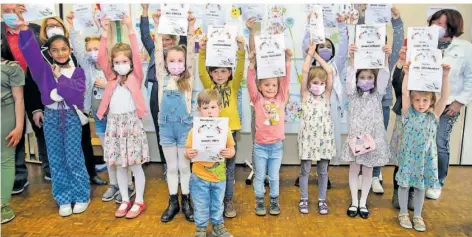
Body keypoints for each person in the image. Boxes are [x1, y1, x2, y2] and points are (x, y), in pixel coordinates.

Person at [17, 7, 90, 217]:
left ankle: (82, 195)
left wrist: (62, 78)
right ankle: (63, 198)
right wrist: (24, 29)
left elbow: (75, 96)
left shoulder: (77, 72)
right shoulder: (43, 70)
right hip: (51, 117)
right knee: (56, 159)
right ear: (49, 52)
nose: (60, 53)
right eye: (55, 50)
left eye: (63, 49)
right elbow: (31, 54)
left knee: (74, 158)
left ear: (69, 50)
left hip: (71, 117)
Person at [66, 11, 134, 203]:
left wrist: (108, 85)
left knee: (121, 153)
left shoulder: (111, 68)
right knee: (108, 153)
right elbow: (78, 47)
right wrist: (71, 26)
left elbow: (125, 84)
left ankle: (127, 185)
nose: (93, 52)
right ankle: (114, 184)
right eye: (90, 49)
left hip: (116, 117)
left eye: (97, 48)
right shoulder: (87, 66)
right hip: (99, 117)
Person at [39, 15, 107, 186]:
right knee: (58, 149)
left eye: (57, 25)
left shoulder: (75, 55)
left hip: (77, 107)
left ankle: (89, 174)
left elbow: (89, 53)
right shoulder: (42, 57)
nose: (54, 28)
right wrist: (36, 109)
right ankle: (65, 181)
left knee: (84, 142)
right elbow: (35, 85)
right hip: (53, 110)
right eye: (50, 26)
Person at [96, 15, 149, 219]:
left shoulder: (135, 77)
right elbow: (102, 57)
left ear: (130, 63)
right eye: (116, 62)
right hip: (114, 125)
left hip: (131, 125)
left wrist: (130, 28)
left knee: (135, 165)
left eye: (124, 61)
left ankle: (139, 200)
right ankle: (125, 199)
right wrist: (104, 33)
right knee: (118, 164)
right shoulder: (111, 78)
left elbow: (136, 54)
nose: (120, 64)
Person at [1, 4, 51, 194]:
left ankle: (50, 169)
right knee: (15, 131)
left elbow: (43, 56)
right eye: (6, 10)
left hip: (35, 86)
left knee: (42, 127)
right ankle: (18, 176)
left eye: (14, 9)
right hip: (9, 89)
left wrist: (24, 27)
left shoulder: (35, 30)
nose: (10, 14)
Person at [396, 61, 450, 232]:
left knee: (420, 186)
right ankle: (403, 213)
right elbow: (404, 93)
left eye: (425, 100)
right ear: (412, 101)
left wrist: (445, 76)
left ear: (431, 100)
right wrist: (406, 73)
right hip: (408, 157)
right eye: (417, 100)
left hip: (425, 159)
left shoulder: (433, 116)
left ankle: (418, 215)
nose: (421, 104)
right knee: (404, 185)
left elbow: (445, 97)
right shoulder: (407, 114)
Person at [153, 9, 196, 223]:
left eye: (180, 61)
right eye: (172, 61)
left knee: (184, 167)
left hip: (185, 128)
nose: (177, 65)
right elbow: (158, 50)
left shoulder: (188, 79)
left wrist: (189, 27)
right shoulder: (162, 77)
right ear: (166, 62)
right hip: (167, 128)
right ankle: (173, 202)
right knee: (171, 167)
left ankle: (187, 200)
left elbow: (191, 57)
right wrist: (158, 26)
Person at [197, 31, 245, 218]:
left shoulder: (233, 85)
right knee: (210, 167)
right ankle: (212, 202)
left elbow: (241, 69)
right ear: (211, 73)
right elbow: (201, 71)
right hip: (210, 132)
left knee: (229, 169)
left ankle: (228, 201)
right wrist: (201, 51)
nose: (219, 75)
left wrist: (240, 50)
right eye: (215, 71)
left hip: (229, 132)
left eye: (223, 71)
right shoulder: (209, 87)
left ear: (230, 72)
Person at [426, 9, 472, 199]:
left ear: (452, 26)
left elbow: (470, 78)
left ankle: (438, 182)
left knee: (439, 143)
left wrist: (460, 102)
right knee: (423, 143)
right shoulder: (424, 43)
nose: (436, 26)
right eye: (434, 22)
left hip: (449, 104)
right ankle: (422, 178)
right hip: (425, 102)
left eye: (441, 23)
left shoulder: (465, 48)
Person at [247, 24, 293, 215]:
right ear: (260, 86)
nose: (271, 88)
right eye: (266, 85)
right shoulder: (257, 99)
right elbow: (250, 82)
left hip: (277, 146)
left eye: (273, 85)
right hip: (260, 146)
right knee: (259, 176)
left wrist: (288, 60)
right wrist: (251, 65)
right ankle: (259, 201)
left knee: (274, 176)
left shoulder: (281, 98)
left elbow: (285, 80)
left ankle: (274, 201)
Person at [342, 44, 392, 219]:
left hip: (372, 141)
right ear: (357, 79)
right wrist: (352, 58)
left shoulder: (377, 94)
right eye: (362, 77)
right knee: (354, 170)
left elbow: (384, 75)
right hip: (356, 141)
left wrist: (385, 58)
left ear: (374, 79)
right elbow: (349, 77)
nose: (365, 80)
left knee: (369, 171)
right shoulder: (352, 94)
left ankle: (363, 202)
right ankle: (354, 201)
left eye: (369, 77)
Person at [140, 4, 188, 180]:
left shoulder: (180, 52)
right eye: (163, 39)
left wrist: (184, 20)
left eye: (169, 39)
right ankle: (168, 166)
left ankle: (182, 166)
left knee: (180, 128)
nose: (166, 43)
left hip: (177, 92)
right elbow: (145, 35)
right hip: (157, 92)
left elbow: (185, 40)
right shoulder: (154, 50)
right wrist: (146, 14)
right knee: (162, 129)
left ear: (174, 40)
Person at [186, 89, 236, 237]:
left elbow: (231, 148)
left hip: (219, 177)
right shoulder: (194, 130)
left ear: (220, 108)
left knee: (217, 204)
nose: (209, 111)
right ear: (199, 109)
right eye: (205, 108)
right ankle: (201, 229)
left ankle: (217, 226)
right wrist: (188, 153)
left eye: (213, 107)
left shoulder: (225, 130)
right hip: (199, 177)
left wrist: (230, 152)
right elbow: (187, 151)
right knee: (200, 205)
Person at [298, 41, 335, 215]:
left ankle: (322, 200)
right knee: (304, 170)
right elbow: (305, 71)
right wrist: (309, 55)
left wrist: (316, 56)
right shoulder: (305, 95)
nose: (318, 85)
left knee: (323, 172)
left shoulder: (326, 96)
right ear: (308, 84)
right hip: (307, 140)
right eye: (314, 82)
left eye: (321, 83)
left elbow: (329, 71)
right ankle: (304, 199)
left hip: (324, 140)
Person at [390, 45, 414, 210]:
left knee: (416, 161)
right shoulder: (405, 66)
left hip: (422, 121)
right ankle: (397, 193)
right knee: (400, 159)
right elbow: (396, 83)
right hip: (403, 119)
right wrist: (401, 61)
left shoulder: (430, 67)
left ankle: (411, 194)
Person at [1, 60, 25, 224]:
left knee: (5, 159)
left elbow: (19, 99)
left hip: (6, 114)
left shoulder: (11, 68)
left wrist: (19, 127)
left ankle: (2, 205)